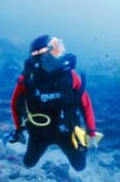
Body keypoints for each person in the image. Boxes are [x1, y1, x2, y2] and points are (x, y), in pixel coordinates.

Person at [6, 35, 99, 171]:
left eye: (59, 46)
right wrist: (19, 129)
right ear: (44, 55)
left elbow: (85, 103)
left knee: (80, 166)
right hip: (39, 132)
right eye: (56, 47)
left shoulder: (70, 76)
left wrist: (91, 132)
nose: (61, 50)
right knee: (28, 163)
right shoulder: (27, 79)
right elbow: (15, 104)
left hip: (67, 131)